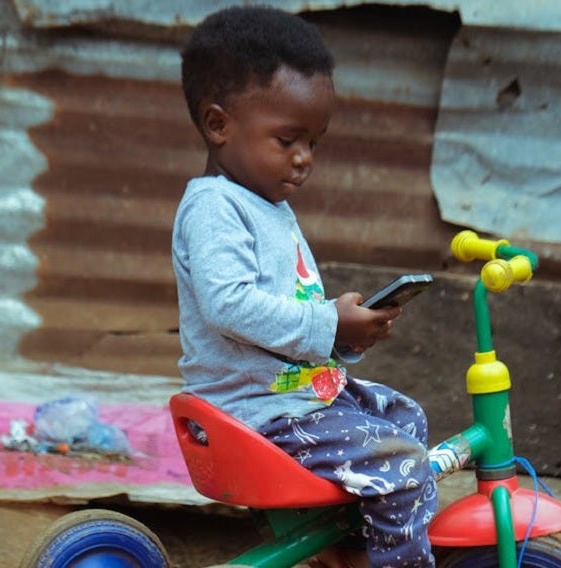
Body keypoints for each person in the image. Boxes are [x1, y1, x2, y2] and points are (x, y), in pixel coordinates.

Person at [172, 6, 437, 568]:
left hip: (296, 397)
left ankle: (341, 548)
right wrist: (328, 321)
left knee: (407, 418)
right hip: (257, 413)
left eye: (314, 142)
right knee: (404, 463)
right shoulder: (215, 206)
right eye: (288, 139)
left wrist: (343, 336)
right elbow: (228, 305)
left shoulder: (265, 204)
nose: (304, 159)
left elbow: (286, 317)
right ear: (218, 125)